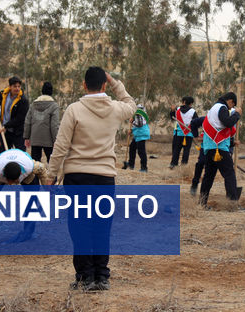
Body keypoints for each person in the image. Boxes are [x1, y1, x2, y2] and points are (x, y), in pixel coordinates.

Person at [47, 66, 135, 292]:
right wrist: (115, 82)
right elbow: (131, 104)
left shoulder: (74, 110)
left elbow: (61, 145)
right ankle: (102, 276)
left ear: (84, 85)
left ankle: (85, 277)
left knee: (80, 227)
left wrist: (51, 174)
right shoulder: (116, 109)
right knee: (101, 227)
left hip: (77, 178)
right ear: (104, 85)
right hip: (104, 178)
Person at [0, 148, 50, 242]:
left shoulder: (30, 167)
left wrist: (48, 189)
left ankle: (28, 232)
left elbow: (43, 170)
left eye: (14, 181)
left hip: (26, 172)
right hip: (1, 169)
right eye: (9, 182)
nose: (11, 185)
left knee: (32, 200)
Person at [198, 92, 243, 210]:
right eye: (232, 106)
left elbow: (218, 128)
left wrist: (232, 143)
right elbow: (227, 122)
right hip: (219, 148)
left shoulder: (213, 109)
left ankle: (202, 203)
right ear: (230, 101)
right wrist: (237, 114)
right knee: (229, 174)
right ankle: (233, 204)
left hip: (210, 147)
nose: (231, 108)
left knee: (208, 176)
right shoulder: (222, 108)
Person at [24, 81, 60, 163]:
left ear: (42, 91)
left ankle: (37, 176)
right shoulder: (54, 106)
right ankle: (52, 176)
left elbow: (27, 121)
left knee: (35, 163)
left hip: (35, 138)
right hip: (49, 140)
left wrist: (26, 137)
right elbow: (54, 125)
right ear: (51, 92)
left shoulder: (33, 104)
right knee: (51, 162)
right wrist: (56, 140)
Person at [0, 76, 29, 152]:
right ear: (10, 87)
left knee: (20, 153)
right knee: (4, 153)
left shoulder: (23, 100)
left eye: (19, 86)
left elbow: (20, 118)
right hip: (5, 132)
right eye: (15, 86)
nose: (17, 88)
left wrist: (6, 126)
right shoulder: (3, 94)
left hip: (18, 132)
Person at [169, 96, 198, 169]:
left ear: (184, 102)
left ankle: (173, 164)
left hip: (179, 133)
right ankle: (184, 165)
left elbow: (172, 118)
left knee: (177, 150)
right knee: (186, 150)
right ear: (191, 103)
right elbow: (196, 122)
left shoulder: (177, 110)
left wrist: (172, 111)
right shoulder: (193, 111)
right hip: (189, 134)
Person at [128, 104, 150, 172]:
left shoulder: (138, 113)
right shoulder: (141, 112)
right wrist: (131, 130)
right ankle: (131, 164)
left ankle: (144, 168)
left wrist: (132, 121)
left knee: (141, 151)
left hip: (141, 134)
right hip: (138, 133)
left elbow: (139, 124)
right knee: (132, 147)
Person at [189, 116, 206, 196]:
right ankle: (194, 185)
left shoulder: (225, 119)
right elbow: (193, 123)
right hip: (205, 147)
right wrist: (196, 136)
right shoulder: (206, 119)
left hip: (220, 148)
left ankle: (231, 193)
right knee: (200, 164)